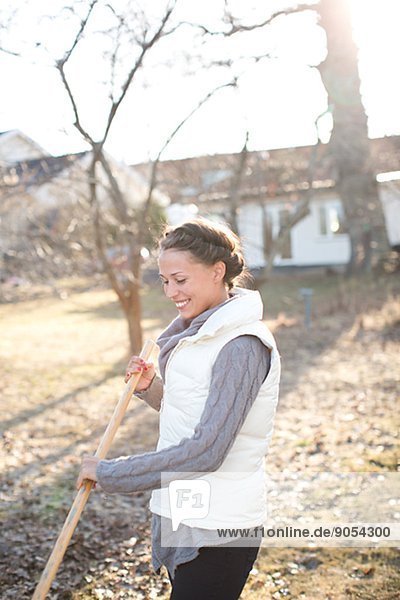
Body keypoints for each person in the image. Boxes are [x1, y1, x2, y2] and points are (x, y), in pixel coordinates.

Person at [76, 218, 281, 599]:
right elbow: (192, 412)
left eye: (181, 279)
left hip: (222, 523)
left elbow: (207, 449)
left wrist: (112, 473)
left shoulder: (241, 345)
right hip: (189, 510)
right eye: (164, 280)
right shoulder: (200, 333)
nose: (171, 291)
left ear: (218, 271)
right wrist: (150, 388)